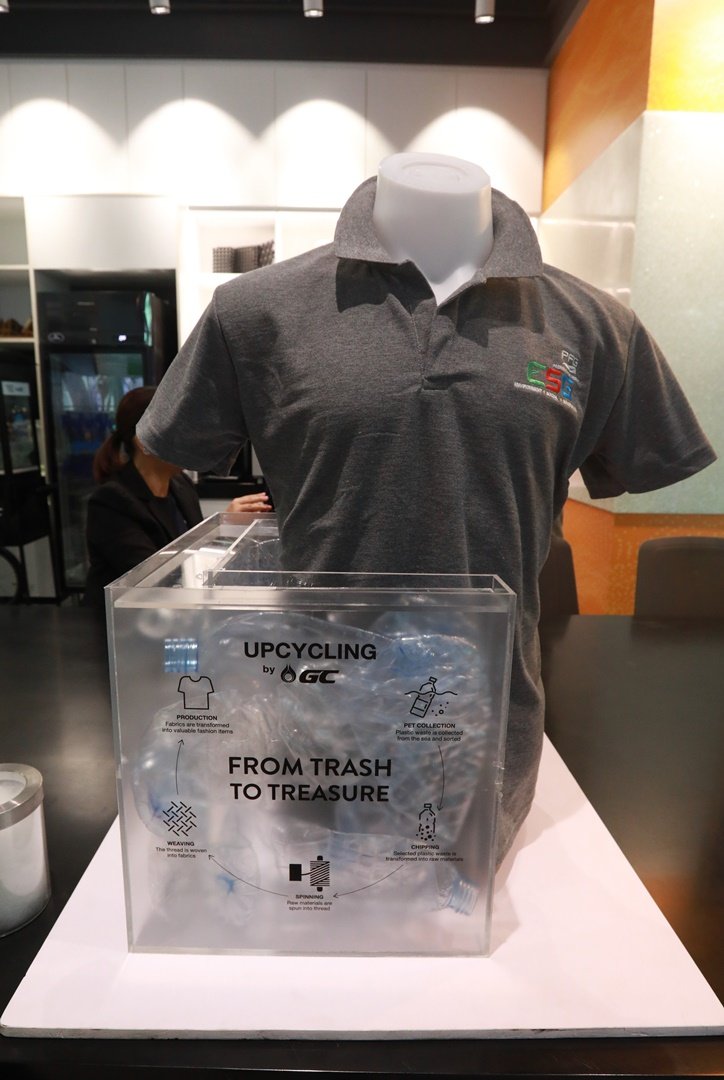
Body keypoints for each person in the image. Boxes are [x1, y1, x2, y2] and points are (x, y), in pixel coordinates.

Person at [135, 153, 716, 862]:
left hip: (491, 744)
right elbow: (174, 444)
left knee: (466, 910)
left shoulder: (596, 326)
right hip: (313, 736)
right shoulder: (254, 311)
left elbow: (644, 457)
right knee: (321, 901)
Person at [83, 386, 270, 608]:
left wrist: (225, 527)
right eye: (179, 431)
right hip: (124, 622)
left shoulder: (181, 486)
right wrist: (220, 530)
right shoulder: (111, 502)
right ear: (144, 440)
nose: (190, 440)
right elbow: (155, 579)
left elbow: (192, 554)